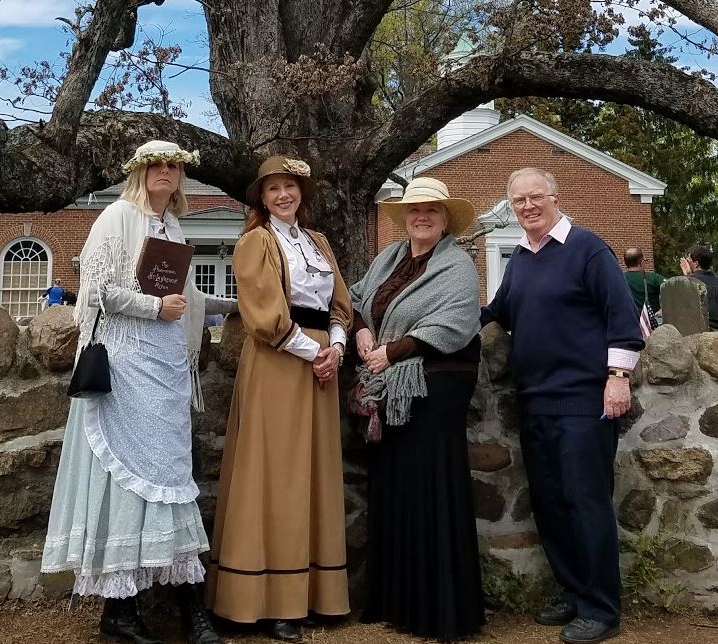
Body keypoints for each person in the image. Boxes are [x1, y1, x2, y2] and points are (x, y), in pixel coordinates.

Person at [41, 140, 232, 644]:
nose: (166, 172)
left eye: (174, 166)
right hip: (126, 368)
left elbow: (186, 298)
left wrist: (240, 308)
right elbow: (96, 290)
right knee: (127, 480)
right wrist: (153, 309)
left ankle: (182, 608)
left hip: (167, 370)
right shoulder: (116, 217)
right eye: (158, 165)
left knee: (170, 477)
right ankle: (121, 613)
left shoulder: (174, 226)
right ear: (141, 172)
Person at [481, 168, 643, 644]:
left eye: (536, 197)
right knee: (551, 505)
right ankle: (574, 593)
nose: (527, 207)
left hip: (582, 401)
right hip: (534, 399)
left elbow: (622, 317)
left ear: (555, 197)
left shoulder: (588, 248)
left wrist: (617, 379)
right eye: (518, 201)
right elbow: (497, 313)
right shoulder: (522, 261)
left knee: (584, 502)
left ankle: (601, 609)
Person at [207, 155, 352, 642]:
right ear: (262, 198)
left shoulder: (319, 243)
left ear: (301, 194)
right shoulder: (255, 244)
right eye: (273, 189)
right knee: (275, 473)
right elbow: (264, 317)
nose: (283, 195)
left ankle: (311, 594)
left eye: (290, 187)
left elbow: (340, 306)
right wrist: (315, 352)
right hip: (277, 361)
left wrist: (335, 347)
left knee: (313, 472)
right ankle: (265, 600)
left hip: (318, 367)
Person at [350, 177, 484, 641]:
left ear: (446, 219)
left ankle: (439, 609)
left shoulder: (458, 266)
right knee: (394, 488)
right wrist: (361, 331)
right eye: (414, 211)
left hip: (435, 388)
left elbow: (456, 323)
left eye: (431, 210)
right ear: (403, 219)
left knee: (431, 489)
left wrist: (394, 351)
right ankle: (398, 601)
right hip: (392, 390)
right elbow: (358, 298)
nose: (421, 217)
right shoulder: (389, 259)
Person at [679, 245, 718, 331]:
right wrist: (689, 276)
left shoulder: (690, 281)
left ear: (696, 263)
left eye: (688, 260)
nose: (687, 261)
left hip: (700, 331)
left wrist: (687, 277)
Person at [622, 248, 663, 328]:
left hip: (628, 325)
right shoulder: (653, 278)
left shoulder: (619, 279)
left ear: (625, 263)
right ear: (642, 262)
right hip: (650, 326)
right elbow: (671, 288)